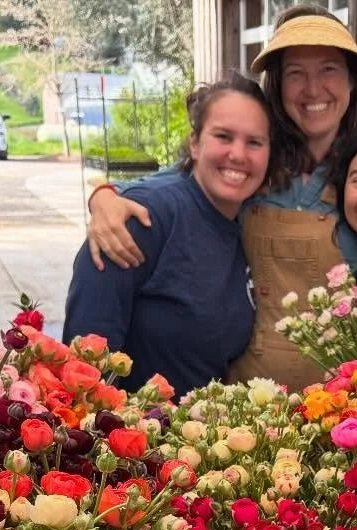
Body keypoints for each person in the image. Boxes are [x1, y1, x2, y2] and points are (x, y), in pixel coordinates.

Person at [85, 4, 357, 391]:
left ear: (352, 82)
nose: (313, 89)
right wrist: (105, 196)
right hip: (245, 399)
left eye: (329, 69)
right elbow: (182, 179)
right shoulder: (255, 164)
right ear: (277, 85)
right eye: (296, 73)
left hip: (342, 402)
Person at [62, 74, 270, 397]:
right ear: (195, 144)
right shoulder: (144, 217)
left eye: (254, 142)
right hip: (131, 427)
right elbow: (84, 365)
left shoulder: (246, 221)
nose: (238, 154)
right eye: (223, 136)